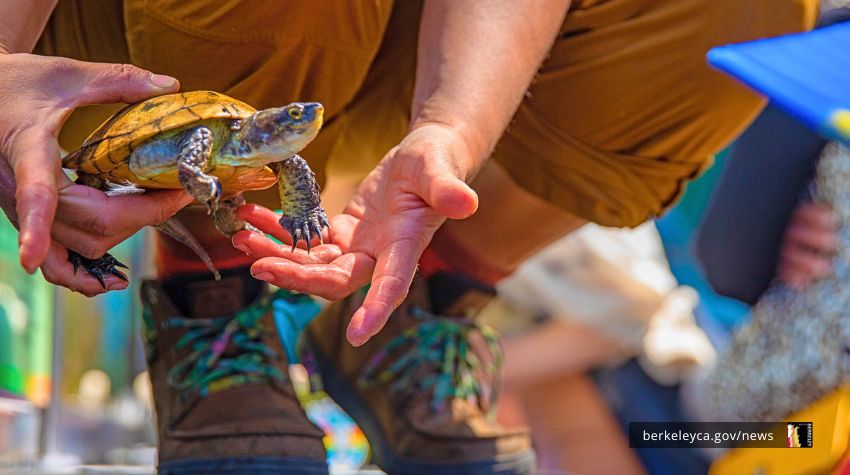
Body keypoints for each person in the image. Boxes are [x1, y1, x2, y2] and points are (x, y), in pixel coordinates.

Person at [0, 0, 816, 473]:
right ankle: (211, 303)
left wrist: (450, 132)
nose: (296, 133)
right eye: (289, 130)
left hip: (443, 53)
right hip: (118, 63)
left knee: (753, 6)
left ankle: (422, 304)